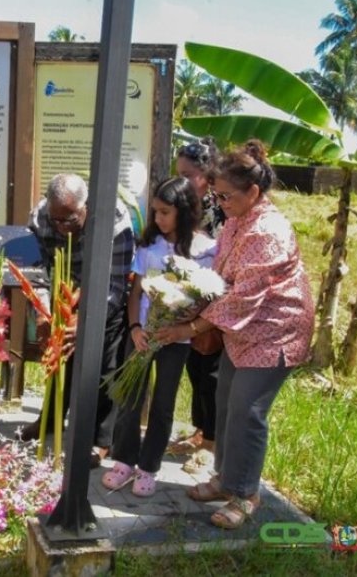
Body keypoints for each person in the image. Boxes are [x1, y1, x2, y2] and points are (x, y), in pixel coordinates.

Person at [157, 140, 314, 528]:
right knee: (225, 401)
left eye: (226, 196)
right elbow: (222, 280)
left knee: (248, 411)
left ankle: (245, 494)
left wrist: (189, 326)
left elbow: (241, 299)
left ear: (254, 193)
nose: (219, 203)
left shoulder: (268, 232)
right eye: (217, 195)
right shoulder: (235, 221)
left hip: (275, 333)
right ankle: (225, 479)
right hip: (241, 332)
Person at [101, 177, 216, 496]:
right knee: (130, 397)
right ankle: (123, 458)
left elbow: (207, 296)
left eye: (165, 212)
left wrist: (184, 322)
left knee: (163, 404)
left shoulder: (204, 249)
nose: (158, 219)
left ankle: (148, 466)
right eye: (155, 212)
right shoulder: (150, 245)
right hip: (142, 335)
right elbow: (136, 291)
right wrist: (136, 328)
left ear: (184, 211)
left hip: (174, 340)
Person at [19, 173, 135, 469]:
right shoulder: (41, 217)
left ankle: (101, 439)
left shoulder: (115, 220)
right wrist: (44, 312)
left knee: (104, 365)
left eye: (70, 220)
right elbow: (36, 271)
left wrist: (85, 320)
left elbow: (117, 285)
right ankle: (49, 421)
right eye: (56, 220)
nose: (62, 228)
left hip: (102, 293)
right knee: (59, 359)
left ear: (87, 208)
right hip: (62, 291)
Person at [167, 139, 224, 468]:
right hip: (188, 298)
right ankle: (201, 430)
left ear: (206, 174)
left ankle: (213, 441)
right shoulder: (189, 207)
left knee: (211, 373)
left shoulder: (220, 208)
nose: (183, 181)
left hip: (215, 300)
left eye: (188, 175)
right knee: (195, 367)